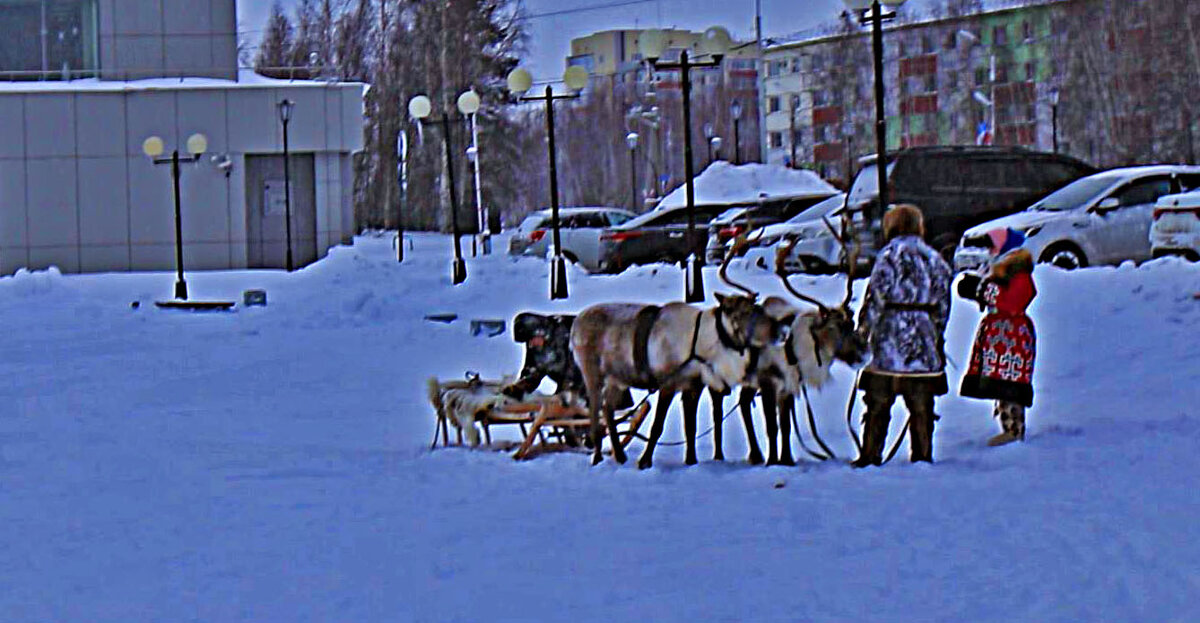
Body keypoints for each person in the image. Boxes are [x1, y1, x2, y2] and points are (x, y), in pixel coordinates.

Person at [852, 204, 952, 466]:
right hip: (923, 339)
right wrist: (935, 334)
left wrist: (863, 333)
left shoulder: (888, 257)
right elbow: (943, 305)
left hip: (889, 340)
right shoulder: (935, 258)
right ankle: (922, 455)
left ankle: (870, 454)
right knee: (921, 405)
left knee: (878, 403)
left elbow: (875, 299)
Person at [957, 227, 1037, 446]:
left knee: (1011, 384)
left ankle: (1014, 429)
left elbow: (1011, 302)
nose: (990, 251)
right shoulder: (1003, 272)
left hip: (1013, 336)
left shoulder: (1020, 275)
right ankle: (1006, 424)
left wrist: (982, 289)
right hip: (998, 335)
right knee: (1000, 382)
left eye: (994, 246)